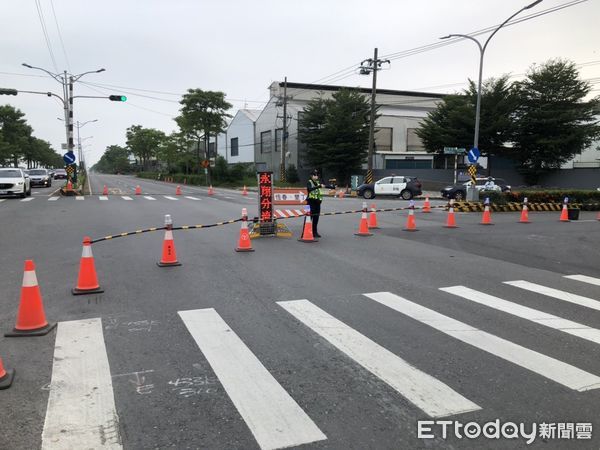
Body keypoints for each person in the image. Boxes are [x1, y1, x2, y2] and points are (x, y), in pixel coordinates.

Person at [305, 170, 335, 238]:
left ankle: (314, 232)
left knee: (316, 218)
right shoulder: (309, 182)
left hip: (317, 203)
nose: (316, 176)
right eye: (315, 175)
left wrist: (333, 187)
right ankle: (306, 231)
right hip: (309, 203)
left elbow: (324, 186)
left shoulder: (317, 183)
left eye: (317, 175)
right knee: (308, 218)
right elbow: (309, 189)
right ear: (311, 176)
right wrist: (318, 186)